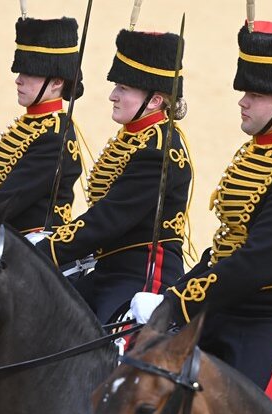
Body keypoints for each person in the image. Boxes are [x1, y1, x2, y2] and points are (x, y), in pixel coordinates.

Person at [131, 21, 272, 408]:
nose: (242, 101)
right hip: (227, 304)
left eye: (255, 94)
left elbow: (258, 261)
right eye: (246, 92)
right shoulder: (255, 153)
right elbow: (224, 249)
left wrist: (176, 302)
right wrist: (172, 296)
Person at [44, 27, 192, 324]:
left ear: (153, 100)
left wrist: (41, 252)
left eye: (123, 88)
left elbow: (108, 219)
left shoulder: (159, 150)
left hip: (143, 273)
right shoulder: (133, 139)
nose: (112, 95)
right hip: (108, 269)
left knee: (104, 346)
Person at [0, 15, 84, 233]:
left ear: (57, 82)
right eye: (20, 72)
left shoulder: (55, 136)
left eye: (29, 73)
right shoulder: (34, 124)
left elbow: (10, 197)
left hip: (35, 244)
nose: (18, 79)